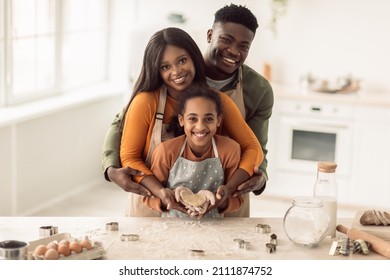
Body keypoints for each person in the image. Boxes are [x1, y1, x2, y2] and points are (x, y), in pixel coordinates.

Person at [102, 4, 274, 217]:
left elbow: (255, 147)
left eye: (182, 61)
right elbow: (125, 140)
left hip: (219, 209)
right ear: (210, 35)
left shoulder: (249, 92)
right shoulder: (146, 100)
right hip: (154, 208)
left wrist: (234, 188)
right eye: (165, 67)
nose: (177, 71)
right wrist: (158, 192)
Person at [142, 84, 254, 218]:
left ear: (218, 121)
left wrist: (219, 202)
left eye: (208, 119)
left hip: (214, 229)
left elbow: (238, 199)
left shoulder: (230, 150)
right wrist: (167, 199)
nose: (200, 127)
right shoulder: (166, 151)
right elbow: (149, 198)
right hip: (173, 228)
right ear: (181, 120)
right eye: (192, 119)